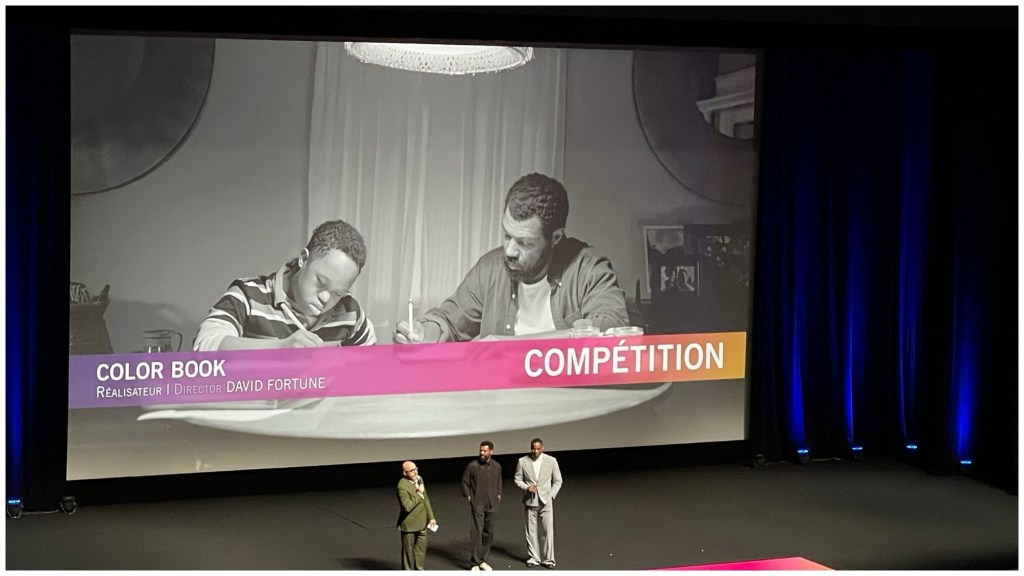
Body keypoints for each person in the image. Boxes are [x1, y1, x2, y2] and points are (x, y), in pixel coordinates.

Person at [395, 173, 628, 343]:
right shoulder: (491, 268)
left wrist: (507, 345)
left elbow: (613, 327)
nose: (509, 251)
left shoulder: (588, 270)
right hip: (502, 394)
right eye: (507, 235)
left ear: (556, 238)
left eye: (524, 243)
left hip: (567, 393)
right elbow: (448, 321)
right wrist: (424, 333)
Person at [194, 219, 376, 351]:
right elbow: (204, 346)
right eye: (321, 282)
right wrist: (280, 348)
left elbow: (373, 367)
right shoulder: (248, 295)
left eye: (339, 293)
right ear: (303, 259)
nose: (325, 298)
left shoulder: (350, 312)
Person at [513, 438, 562, 569]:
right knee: (531, 530)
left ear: (542, 448)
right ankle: (534, 557)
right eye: (533, 448)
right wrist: (526, 487)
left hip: (546, 501)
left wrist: (551, 495)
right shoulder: (522, 461)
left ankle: (549, 559)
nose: (535, 451)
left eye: (538, 449)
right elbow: (517, 479)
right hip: (530, 500)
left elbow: (558, 481)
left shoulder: (551, 461)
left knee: (548, 530)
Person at [462, 441, 502, 571]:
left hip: (492, 504)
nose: (482, 453)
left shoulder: (496, 466)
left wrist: (499, 494)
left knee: (488, 532)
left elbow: (499, 481)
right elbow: (465, 482)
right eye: (481, 450)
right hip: (478, 503)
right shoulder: (473, 466)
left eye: (485, 451)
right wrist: (468, 496)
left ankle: (483, 560)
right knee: (477, 532)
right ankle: (475, 562)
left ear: (491, 451)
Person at [397, 461, 437, 570]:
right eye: (412, 470)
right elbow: (407, 506)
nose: (415, 472)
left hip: (422, 523)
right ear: (405, 473)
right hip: (409, 525)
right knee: (408, 553)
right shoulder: (402, 485)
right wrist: (418, 493)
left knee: (420, 552)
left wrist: (431, 517)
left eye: (416, 469)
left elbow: (425, 499)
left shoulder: (419, 479)